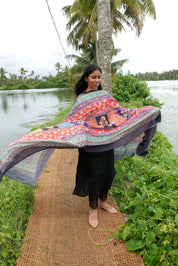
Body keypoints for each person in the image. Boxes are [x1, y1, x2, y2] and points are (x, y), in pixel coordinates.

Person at [72, 64, 118, 228]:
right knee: (93, 174)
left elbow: (117, 113)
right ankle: (93, 208)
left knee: (108, 171)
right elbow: (75, 120)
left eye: (99, 77)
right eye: (93, 77)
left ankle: (102, 201)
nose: (97, 80)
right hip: (90, 143)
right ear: (86, 78)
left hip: (106, 140)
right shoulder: (81, 99)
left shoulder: (104, 95)